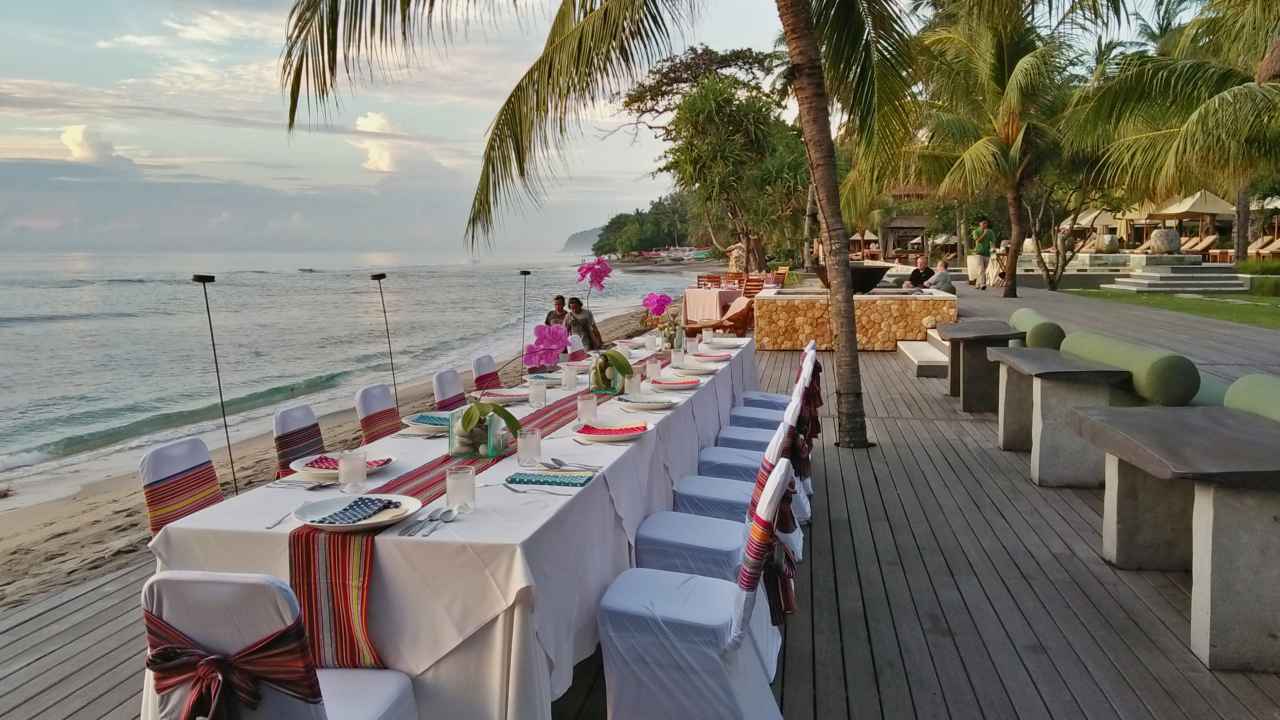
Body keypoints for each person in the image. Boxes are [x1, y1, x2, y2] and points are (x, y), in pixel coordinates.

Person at [971, 218, 994, 290]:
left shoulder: (990, 232)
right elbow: (977, 241)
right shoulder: (976, 231)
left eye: (986, 223)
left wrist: (993, 248)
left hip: (987, 253)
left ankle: (977, 283)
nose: (985, 225)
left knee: (984, 269)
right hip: (979, 252)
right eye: (983, 223)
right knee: (981, 269)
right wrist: (984, 234)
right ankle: (983, 284)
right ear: (980, 224)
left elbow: (993, 241)